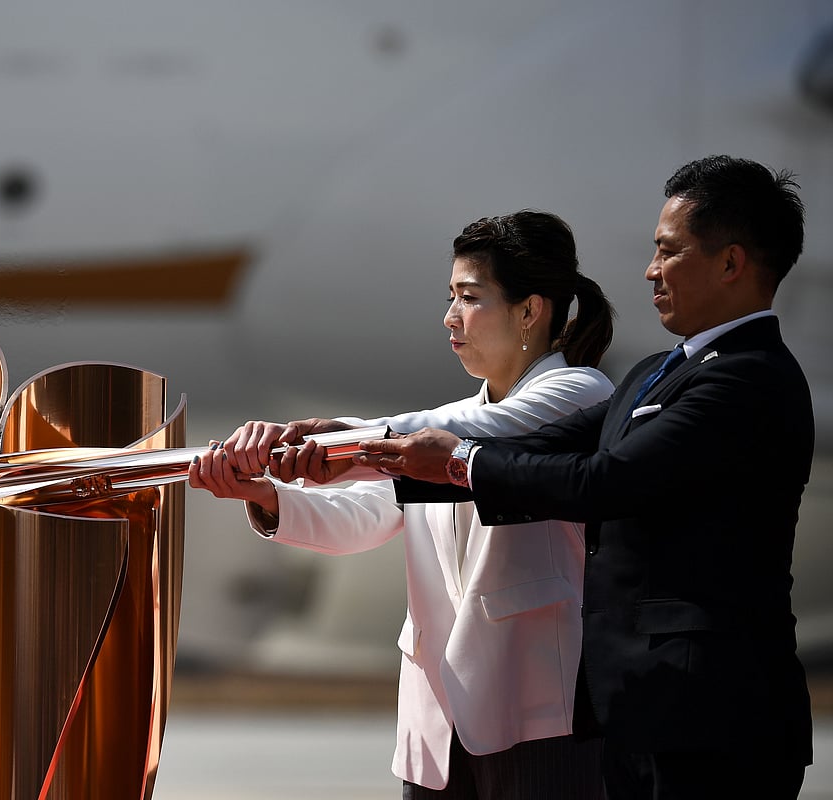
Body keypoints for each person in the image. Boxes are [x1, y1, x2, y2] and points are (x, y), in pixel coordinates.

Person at [351, 155, 814, 799]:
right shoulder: (661, 368)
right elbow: (537, 443)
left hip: (714, 717)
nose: (651, 271)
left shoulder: (748, 377)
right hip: (638, 711)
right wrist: (367, 450)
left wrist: (453, 460)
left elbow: (607, 480)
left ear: (731, 262)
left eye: (669, 251)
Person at [190, 209, 617, 798]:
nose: (450, 319)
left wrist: (339, 437)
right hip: (439, 715)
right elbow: (365, 515)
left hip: (538, 707)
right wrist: (265, 495)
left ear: (529, 310)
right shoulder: (437, 426)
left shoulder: (580, 395)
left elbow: (480, 432)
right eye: (450, 297)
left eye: (469, 298)